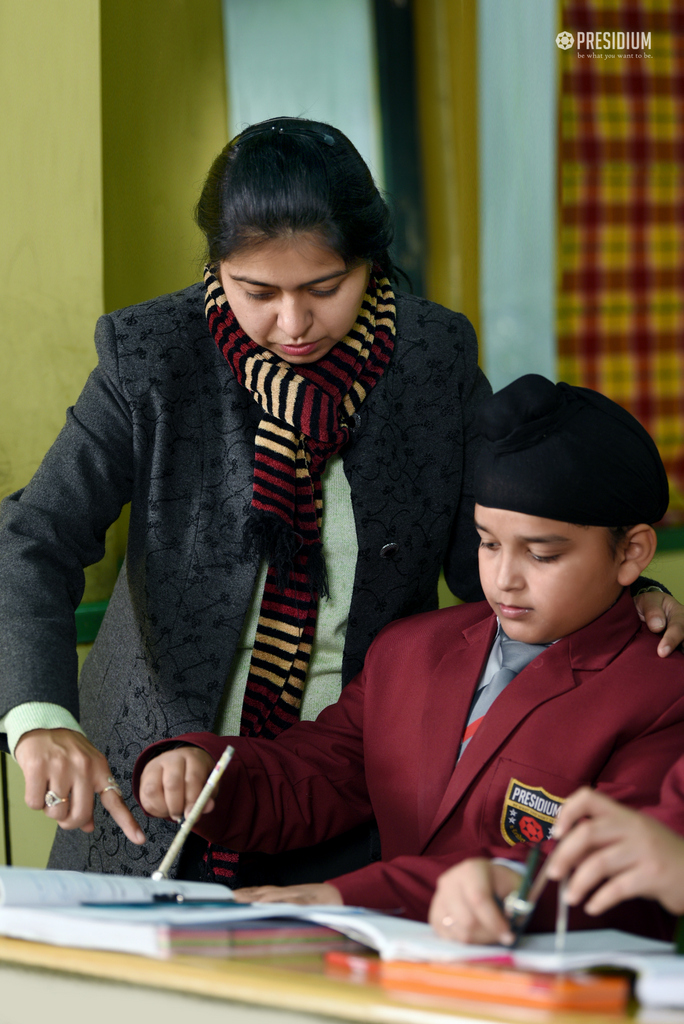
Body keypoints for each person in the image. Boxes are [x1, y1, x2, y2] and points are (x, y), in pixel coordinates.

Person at [0, 117, 679, 879]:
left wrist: (627, 597)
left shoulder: (431, 357)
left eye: (325, 288)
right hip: (154, 788)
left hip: (345, 794)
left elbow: (493, 552)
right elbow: (32, 539)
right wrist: (39, 720)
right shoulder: (153, 357)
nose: (291, 325)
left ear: (371, 262)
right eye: (256, 291)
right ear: (216, 268)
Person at [134, 374, 684, 941]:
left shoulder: (662, 691)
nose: (503, 579)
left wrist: (351, 897)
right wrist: (209, 772)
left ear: (632, 552)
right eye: (488, 543)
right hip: (399, 971)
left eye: (542, 555)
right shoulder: (413, 650)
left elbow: (602, 868)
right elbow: (319, 772)